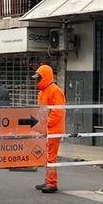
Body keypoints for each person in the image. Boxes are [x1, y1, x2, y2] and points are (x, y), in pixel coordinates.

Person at [33, 64, 66, 193]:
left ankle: (52, 183)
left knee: (51, 157)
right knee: (46, 157)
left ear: (45, 77)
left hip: (53, 130)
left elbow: (58, 112)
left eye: (38, 78)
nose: (36, 81)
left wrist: (45, 124)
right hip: (45, 130)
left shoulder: (55, 90)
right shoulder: (42, 91)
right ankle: (48, 181)